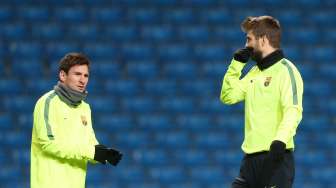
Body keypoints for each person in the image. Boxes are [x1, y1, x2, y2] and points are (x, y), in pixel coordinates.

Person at [220, 16, 303, 188]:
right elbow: (228, 96)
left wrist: (279, 141)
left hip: (277, 159)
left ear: (263, 39)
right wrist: (236, 65)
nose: (246, 46)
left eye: (249, 40)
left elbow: (293, 110)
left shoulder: (287, 71)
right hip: (250, 161)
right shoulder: (253, 73)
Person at [31, 53, 123, 188]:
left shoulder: (85, 108)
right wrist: (92, 152)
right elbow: (49, 143)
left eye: (86, 76)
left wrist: (105, 154)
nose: (82, 80)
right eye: (77, 74)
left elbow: (90, 143)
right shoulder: (47, 102)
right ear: (63, 75)